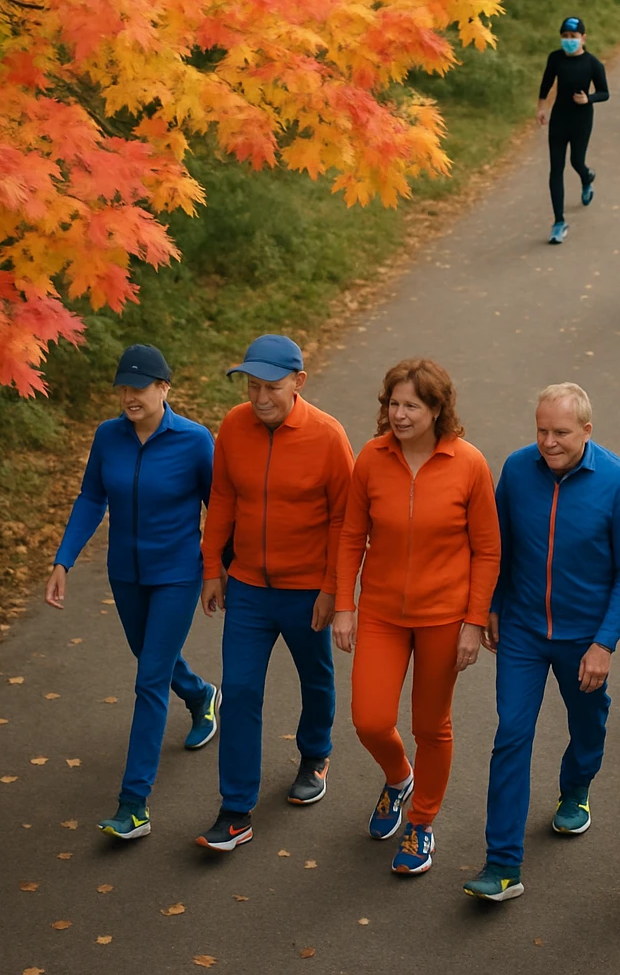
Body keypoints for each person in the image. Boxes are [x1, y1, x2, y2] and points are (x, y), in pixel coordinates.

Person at [463, 382, 620, 902]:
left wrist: (604, 643)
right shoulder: (518, 471)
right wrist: (492, 607)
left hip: (584, 638)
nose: (548, 442)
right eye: (541, 430)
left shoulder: (615, 482)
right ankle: (502, 865)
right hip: (521, 631)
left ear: (587, 430)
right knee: (511, 736)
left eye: (561, 432)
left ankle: (577, 786)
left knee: (588, 724)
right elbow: (498, 546)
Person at [333, 359, 500, 876]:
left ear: (437, 410)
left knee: (432, 725)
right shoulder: (371, 458)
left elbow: (488, 549)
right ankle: (398, 776)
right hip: (382, 612)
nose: (399, 415)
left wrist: (474, 620)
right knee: (370, 719)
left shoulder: (468, 463)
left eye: (411, 405)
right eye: (393, 404)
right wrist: (345, 605)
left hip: (444, 619)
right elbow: (349, 537)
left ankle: (422, 822)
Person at [46, 344, 219, 841]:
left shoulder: (194, 440)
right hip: (125, 573)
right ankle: (202, 694)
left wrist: (216, 570)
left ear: (164, 388)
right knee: (151, 657)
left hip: (177, 574)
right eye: (123, 387)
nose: (129, 396)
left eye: (138, 387)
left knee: (148, 680)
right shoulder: (108, 436)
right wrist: (63, 560)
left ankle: (134, 804)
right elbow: (91, 497)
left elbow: (219, 507)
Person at [195, 334, 355, 852]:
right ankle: (235, 809)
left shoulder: (328, 437)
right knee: (240, 691)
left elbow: (345, 521)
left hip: (306, 589)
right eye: (251, 386)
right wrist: (212, 568)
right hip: (247, 587)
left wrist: (333, 589)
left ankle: (315, 754)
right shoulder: (234, 427)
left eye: (271, 387)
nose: (259, 398)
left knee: (315, 678)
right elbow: (221, 496)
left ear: (299, 382)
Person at [537, 16, 609, 245]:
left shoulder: (592, 64)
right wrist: (541, 107)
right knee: (555, 169)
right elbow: (547, 82)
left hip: (581, 120)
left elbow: (604, 92)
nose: (569, 41)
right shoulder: (555, 58)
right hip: (559, 118)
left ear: (583, 38)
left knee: (577, 161)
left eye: (573, 37)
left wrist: (588, 98)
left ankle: (587, 177)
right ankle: (559, 222)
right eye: (565, 37)